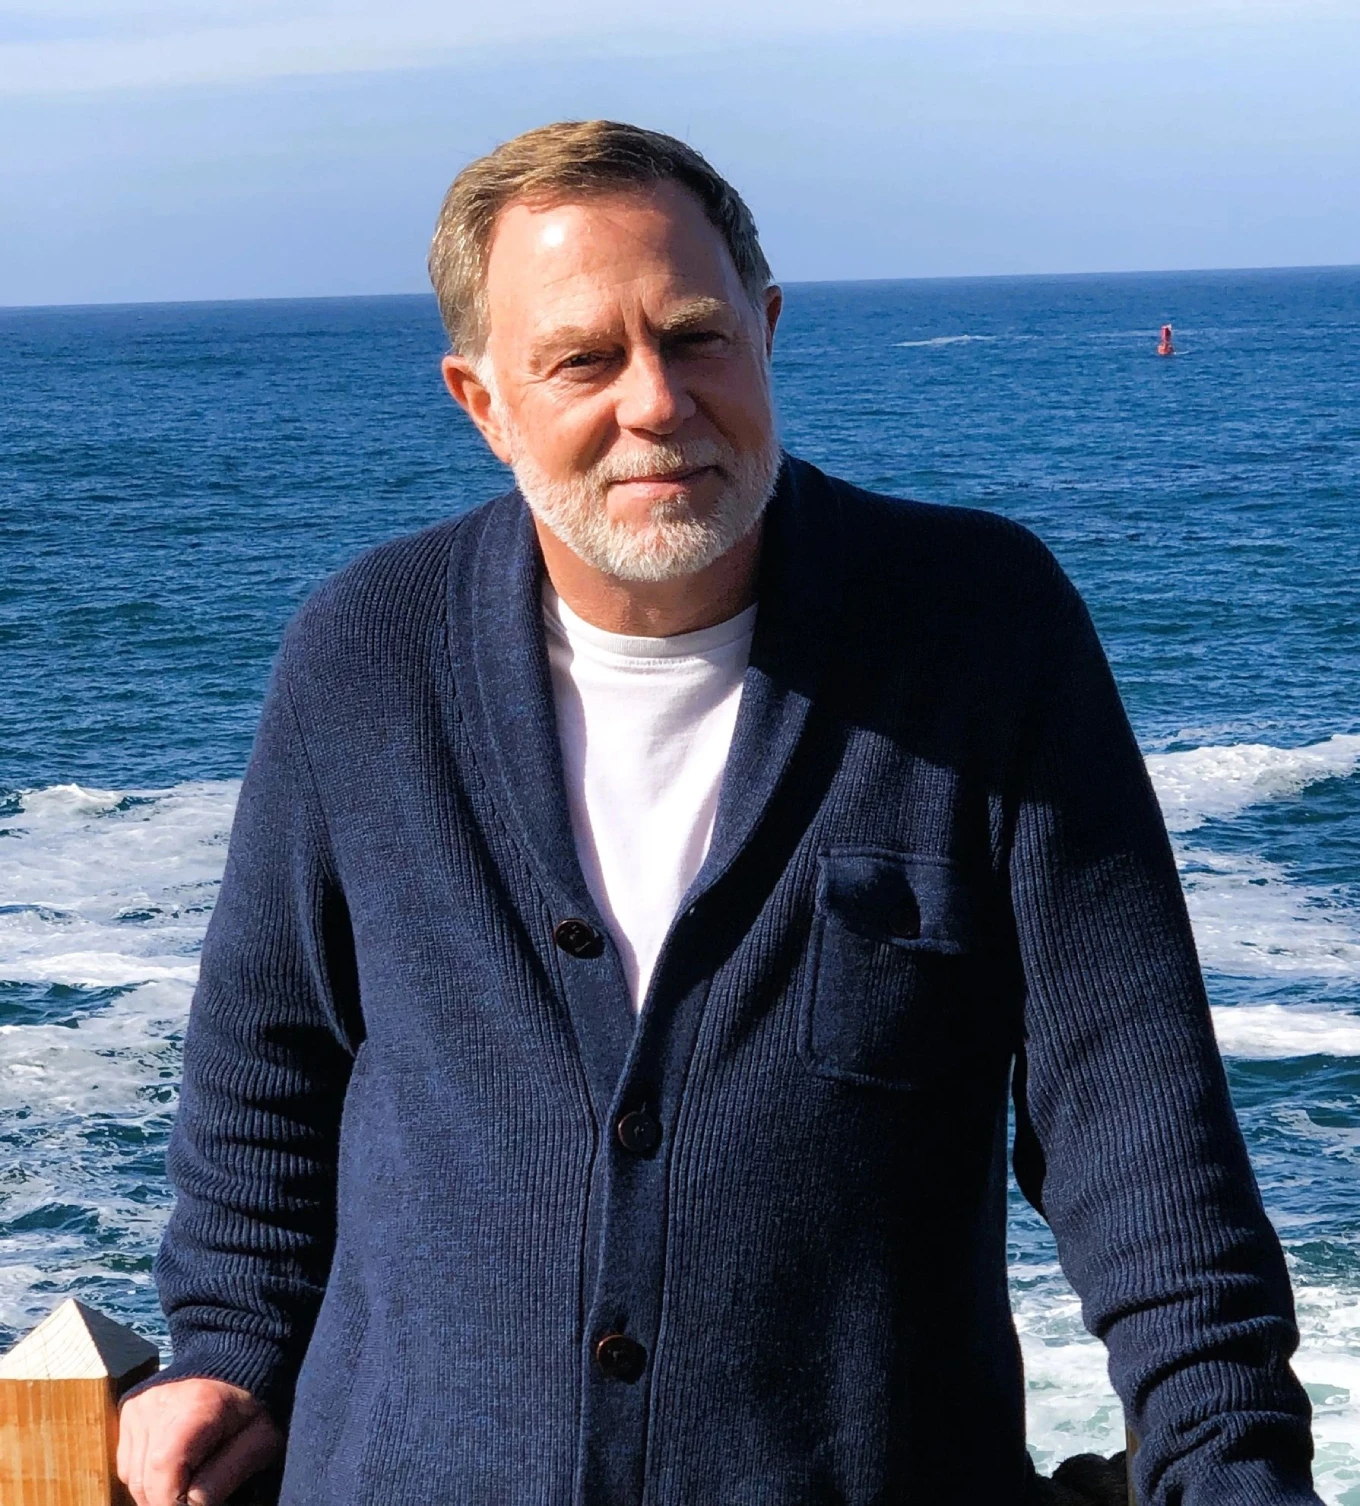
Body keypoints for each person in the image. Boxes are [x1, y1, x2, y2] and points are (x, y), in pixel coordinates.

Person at [115, 121, 1320, 1506]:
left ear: (766, 327)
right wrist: (226, 1346)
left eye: (694, 337)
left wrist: (1233, 1465)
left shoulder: (978, 629)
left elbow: (1137, 1124)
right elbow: (269, 1065)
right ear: (482, 400)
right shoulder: (364, 658)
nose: (655, 401)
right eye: (581, 359)